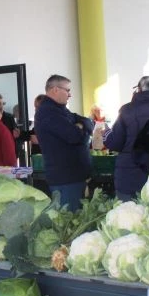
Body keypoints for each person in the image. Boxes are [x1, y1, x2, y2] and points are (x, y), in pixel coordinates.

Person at [34, 75, 94, 211]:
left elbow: (88, 122)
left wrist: (80, 126)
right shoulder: (48, 112)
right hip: (66, 179)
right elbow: (74, 136)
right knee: (69, 219)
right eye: (67, 90)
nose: (70, 94)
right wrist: (79, 129)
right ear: (55, 90)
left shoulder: (61, 110)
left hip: (74, 177)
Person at [104, 76, 149, 200]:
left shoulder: (127, 110)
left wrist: (106, 133)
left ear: (138, 89)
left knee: (128, 210)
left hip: (129, 175)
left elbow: (115, 143)